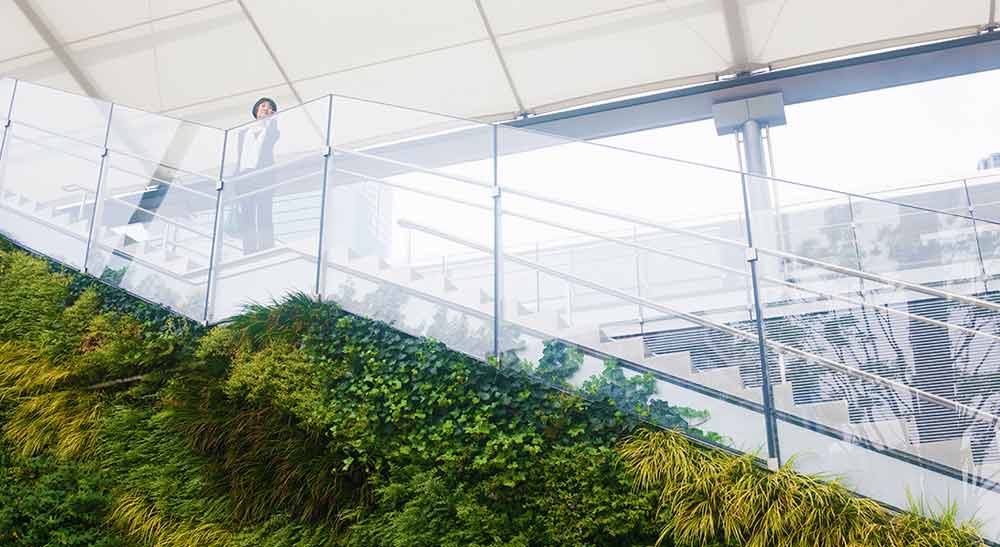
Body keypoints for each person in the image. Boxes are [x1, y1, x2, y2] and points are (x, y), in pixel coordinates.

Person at [234, 97, 280, 253]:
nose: (266, 109)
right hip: (244, 177)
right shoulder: (243, 133)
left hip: (263, 176)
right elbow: (240, 157)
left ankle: (266, 246)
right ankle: (249, 249)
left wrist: (273, 120)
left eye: (270, 108)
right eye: (263, 106)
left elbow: (273, 135)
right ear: (256, 109)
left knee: (264, 212)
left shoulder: (271, 131)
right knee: (247, 214)